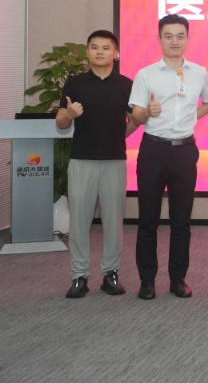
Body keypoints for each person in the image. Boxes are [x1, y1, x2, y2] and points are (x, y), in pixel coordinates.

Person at [129, 14, 208, 300]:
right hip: (153, 150)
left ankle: (178, 278)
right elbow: (136, 115)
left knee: (181, 220)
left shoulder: (199, 73)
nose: (174, 41)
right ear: (159, 39)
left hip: (184, 151)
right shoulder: (146, 74)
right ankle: (147, 280)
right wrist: (147, 112)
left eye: (180, 36)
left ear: (188, 39)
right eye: (168, 36)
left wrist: (191, 117)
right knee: (148, 219)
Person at [56, 31, 138, 298]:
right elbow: (61, 122)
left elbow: (135, 120)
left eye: (105, 47)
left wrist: (118, 136)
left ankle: (110, 274)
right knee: (79, 222)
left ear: (116, 53)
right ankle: (79, 276)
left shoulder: (126, 84)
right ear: (88, 51)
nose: (100, 52)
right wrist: (69, 115)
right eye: (94, 47)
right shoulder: (75, 84)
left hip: (114, 161)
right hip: (82, 160)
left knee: (113, 223)